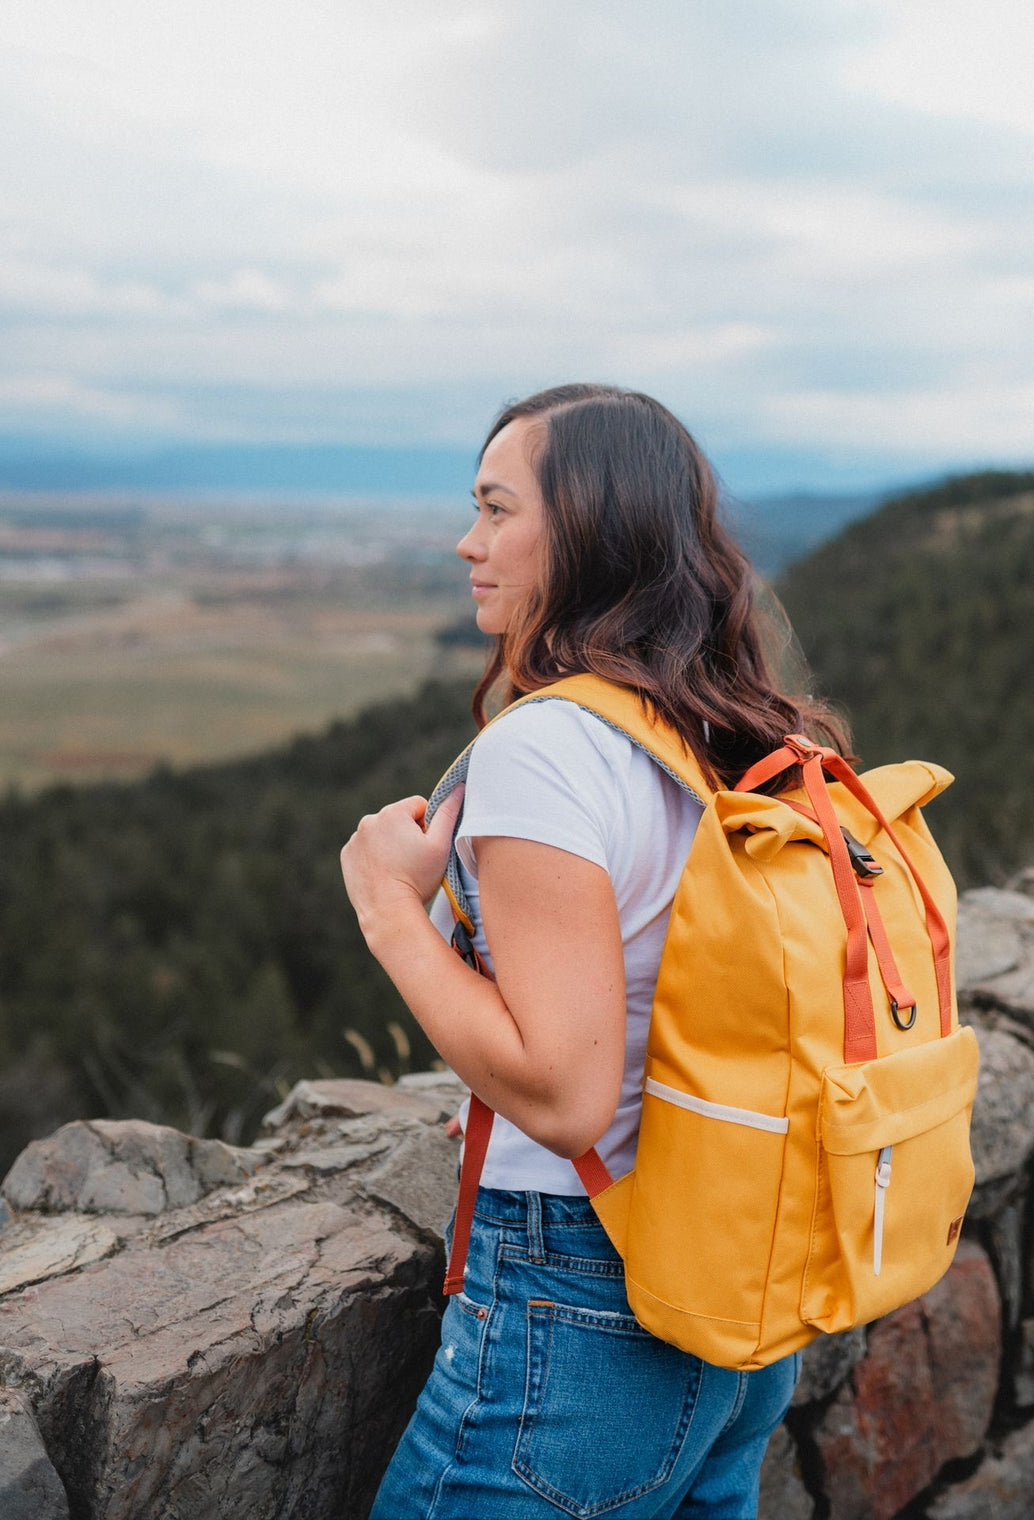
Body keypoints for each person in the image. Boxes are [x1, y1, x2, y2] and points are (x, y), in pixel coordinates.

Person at [340, 384, 849, 1518]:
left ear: (585, 530)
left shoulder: (548, 748)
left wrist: (385, 907)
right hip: (737, 1276)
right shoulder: (740, 723)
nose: (465, 541)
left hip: (581, 1292)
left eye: (494, 508)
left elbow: (565, 1095)